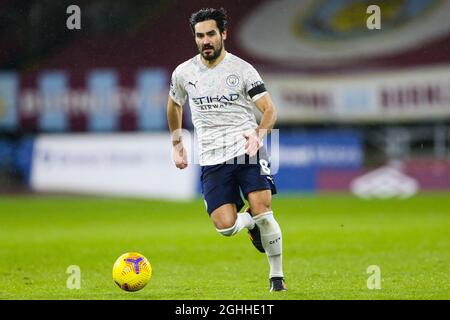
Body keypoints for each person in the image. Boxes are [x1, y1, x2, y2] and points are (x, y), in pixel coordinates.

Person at [166, 7, 287, 292]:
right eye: (199, 36)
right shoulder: (183, 73)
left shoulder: (242, 70)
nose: (205, 40)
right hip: (211, 157)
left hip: (247, 150)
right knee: (225, 226)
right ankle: (251, 225)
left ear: (223, 34)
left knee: (264, 210)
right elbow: (174, 104)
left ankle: (277, 278)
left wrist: (259, 136)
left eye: (210, 34)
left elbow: (269, 110)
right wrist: (176, 142)